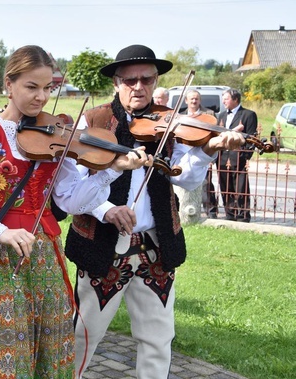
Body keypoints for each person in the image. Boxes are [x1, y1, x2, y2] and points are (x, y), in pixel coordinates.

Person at [0, 45, 151, 378]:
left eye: (48, 88)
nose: (41, 97)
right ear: (9, 85)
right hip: (2, 254)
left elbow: (70, 201)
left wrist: (112, 170)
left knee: (50, 344)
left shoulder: (55, 138)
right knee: (5, 346)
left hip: (45, 255)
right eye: (31, 87)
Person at [65, 44, 246, 379]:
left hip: (155, 246)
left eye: (146, 79)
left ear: (155, 80)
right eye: (130, 80)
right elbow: (73, 186)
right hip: (104, 244)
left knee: (158, 338)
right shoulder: (95, 120)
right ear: (116, 83)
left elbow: (185, 176)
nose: (139, 86)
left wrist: (207, 150)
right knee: (84, 334)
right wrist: (106, 210)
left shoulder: (170, 123)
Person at [217, 88, 257, 222]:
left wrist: (245, 156)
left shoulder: (248, 114)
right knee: (225, 187)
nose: (223, 101)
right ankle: (230, 214)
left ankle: (243, 215)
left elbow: (251, 137)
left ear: (235, 100)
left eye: (226, 99)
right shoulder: (221, 115)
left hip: (238, 157)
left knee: (241, 188)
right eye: (223, 99)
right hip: (222, 157)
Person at [185, 90, 219, 218]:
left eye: (196, 99)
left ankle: (211, 212)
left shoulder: (209, 114)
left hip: (203, 154)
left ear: (200, 100)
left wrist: (210, 153)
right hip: (185, 154)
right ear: (186, 101)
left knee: (206, 184)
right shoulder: (180, 115)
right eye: (191, 99)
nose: (194, 101)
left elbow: (214, 134)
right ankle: (189, 211)